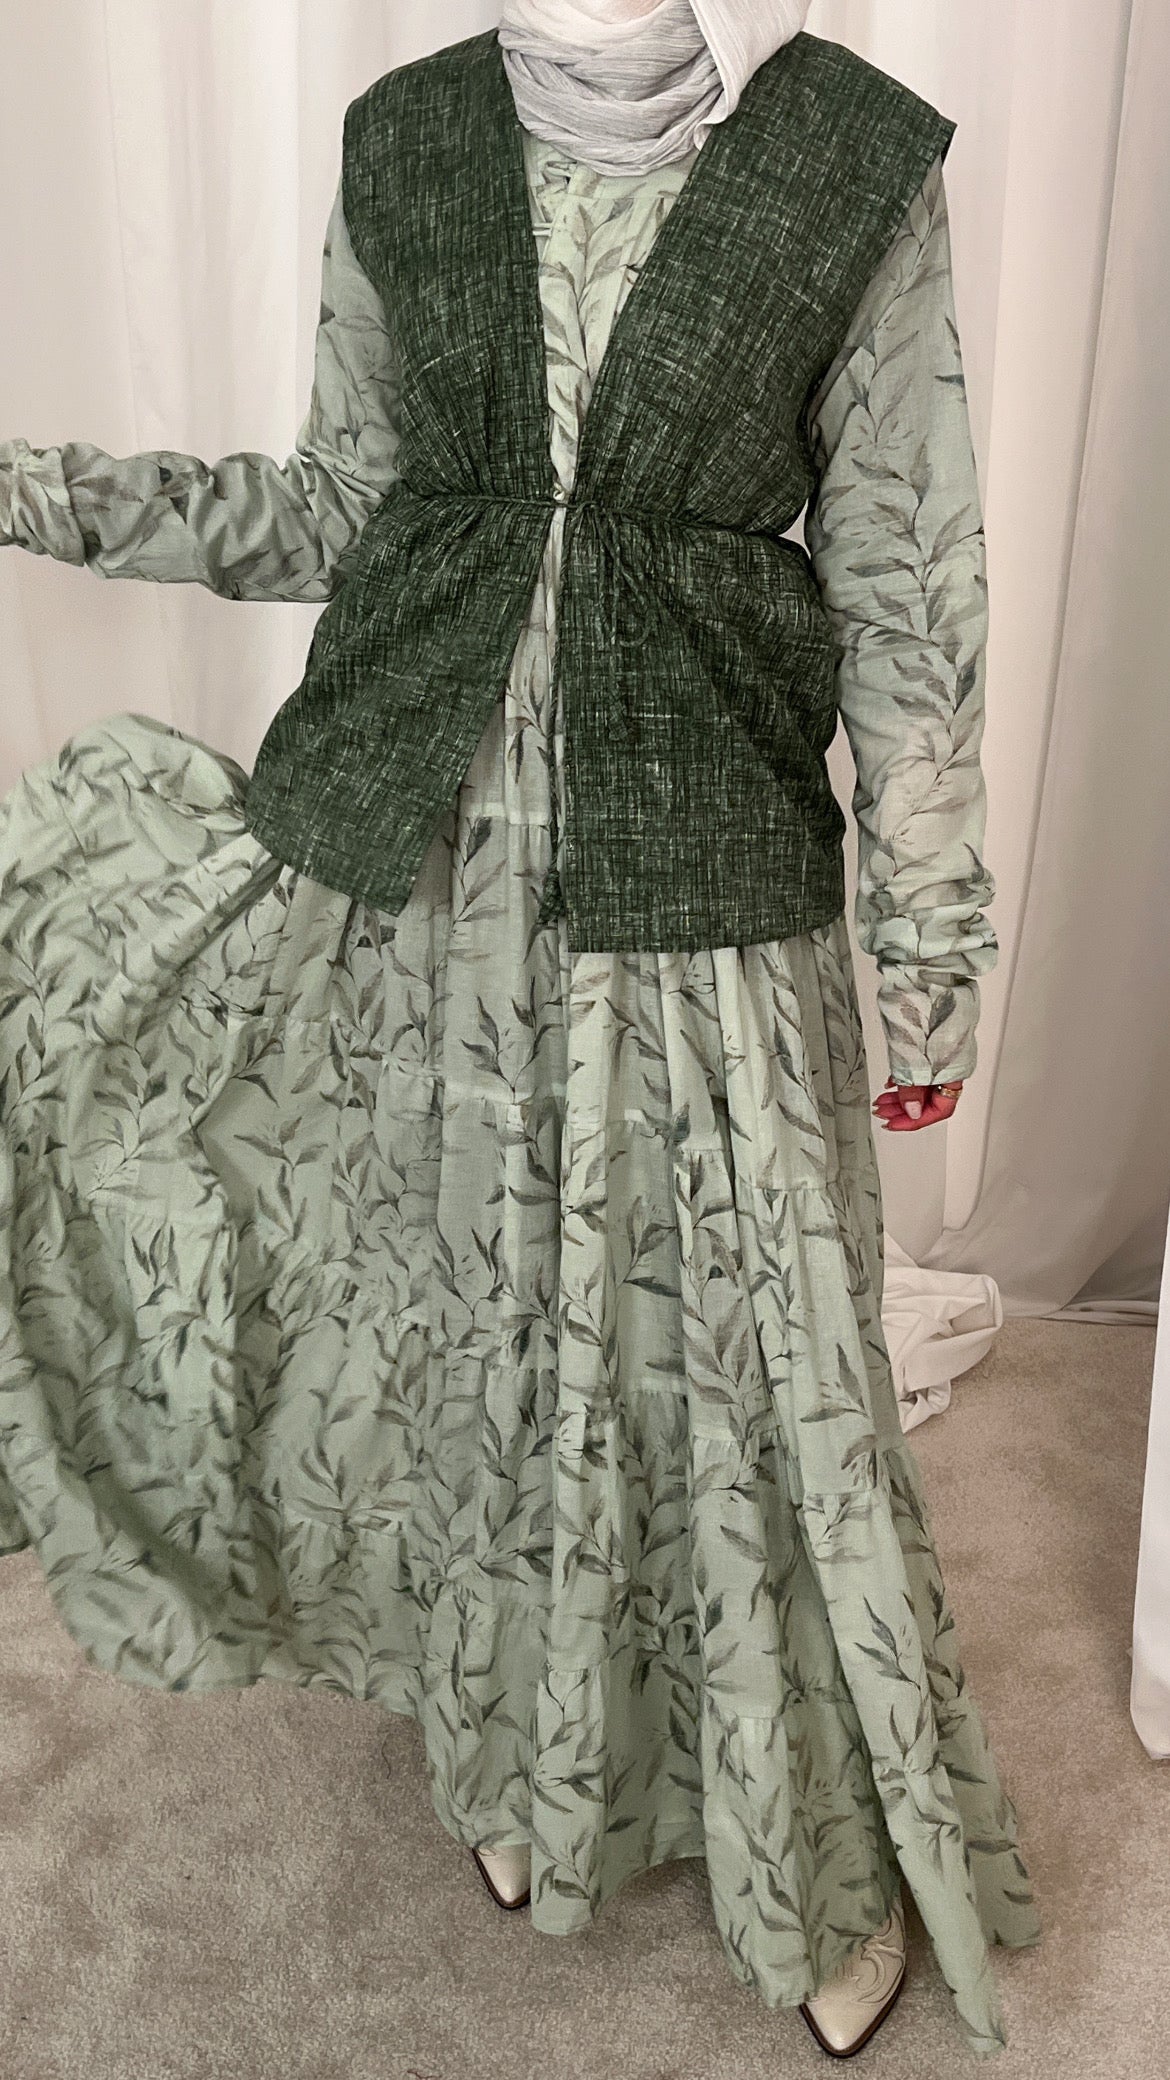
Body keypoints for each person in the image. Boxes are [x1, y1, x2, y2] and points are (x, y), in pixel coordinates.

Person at [0, 1, 1041, 2060]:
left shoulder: (845, 163)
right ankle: (529, 1745)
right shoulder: (406, 140)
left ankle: (811, 1839)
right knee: (486, 1330)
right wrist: (42, 490)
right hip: (442, 873)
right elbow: (341, 509)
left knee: (746, 1363)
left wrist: (930, 938)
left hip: (707, 863)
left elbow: (908, 593)